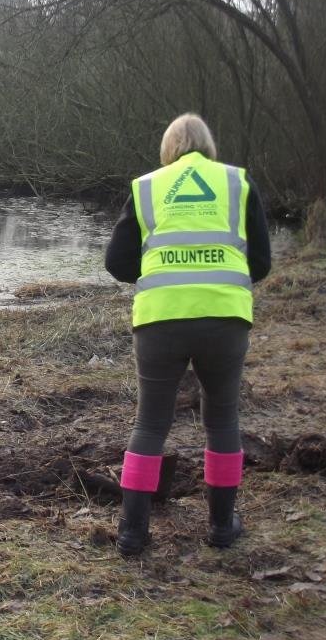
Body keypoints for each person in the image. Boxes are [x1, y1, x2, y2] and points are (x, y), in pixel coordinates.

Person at [104, 113, 272, 556]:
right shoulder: (237, 183)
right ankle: (221, 527)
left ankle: (132, 533)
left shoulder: (147, 187)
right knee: (221, 421)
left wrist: (164, 266)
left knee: (150, 424)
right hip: (225, 316)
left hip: (161, 317)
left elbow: (117, 264)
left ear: (168, 148)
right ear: (209, 145)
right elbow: (261, 264)